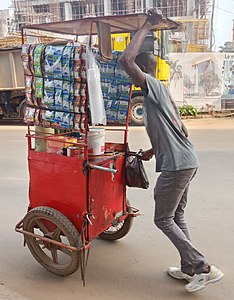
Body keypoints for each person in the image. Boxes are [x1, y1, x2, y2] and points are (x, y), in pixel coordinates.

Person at [119, 8, 224, 293]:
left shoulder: (150, 86)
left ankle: (203, 267)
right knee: (176, 217)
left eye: (135, 71)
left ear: (142, 70)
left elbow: (125, 59)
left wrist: (147, 26)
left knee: (162, 219)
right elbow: (182, 131)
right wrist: (155, 149)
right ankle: (190, 268)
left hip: (178, 166)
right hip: (187, 160)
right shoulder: (161, 90)